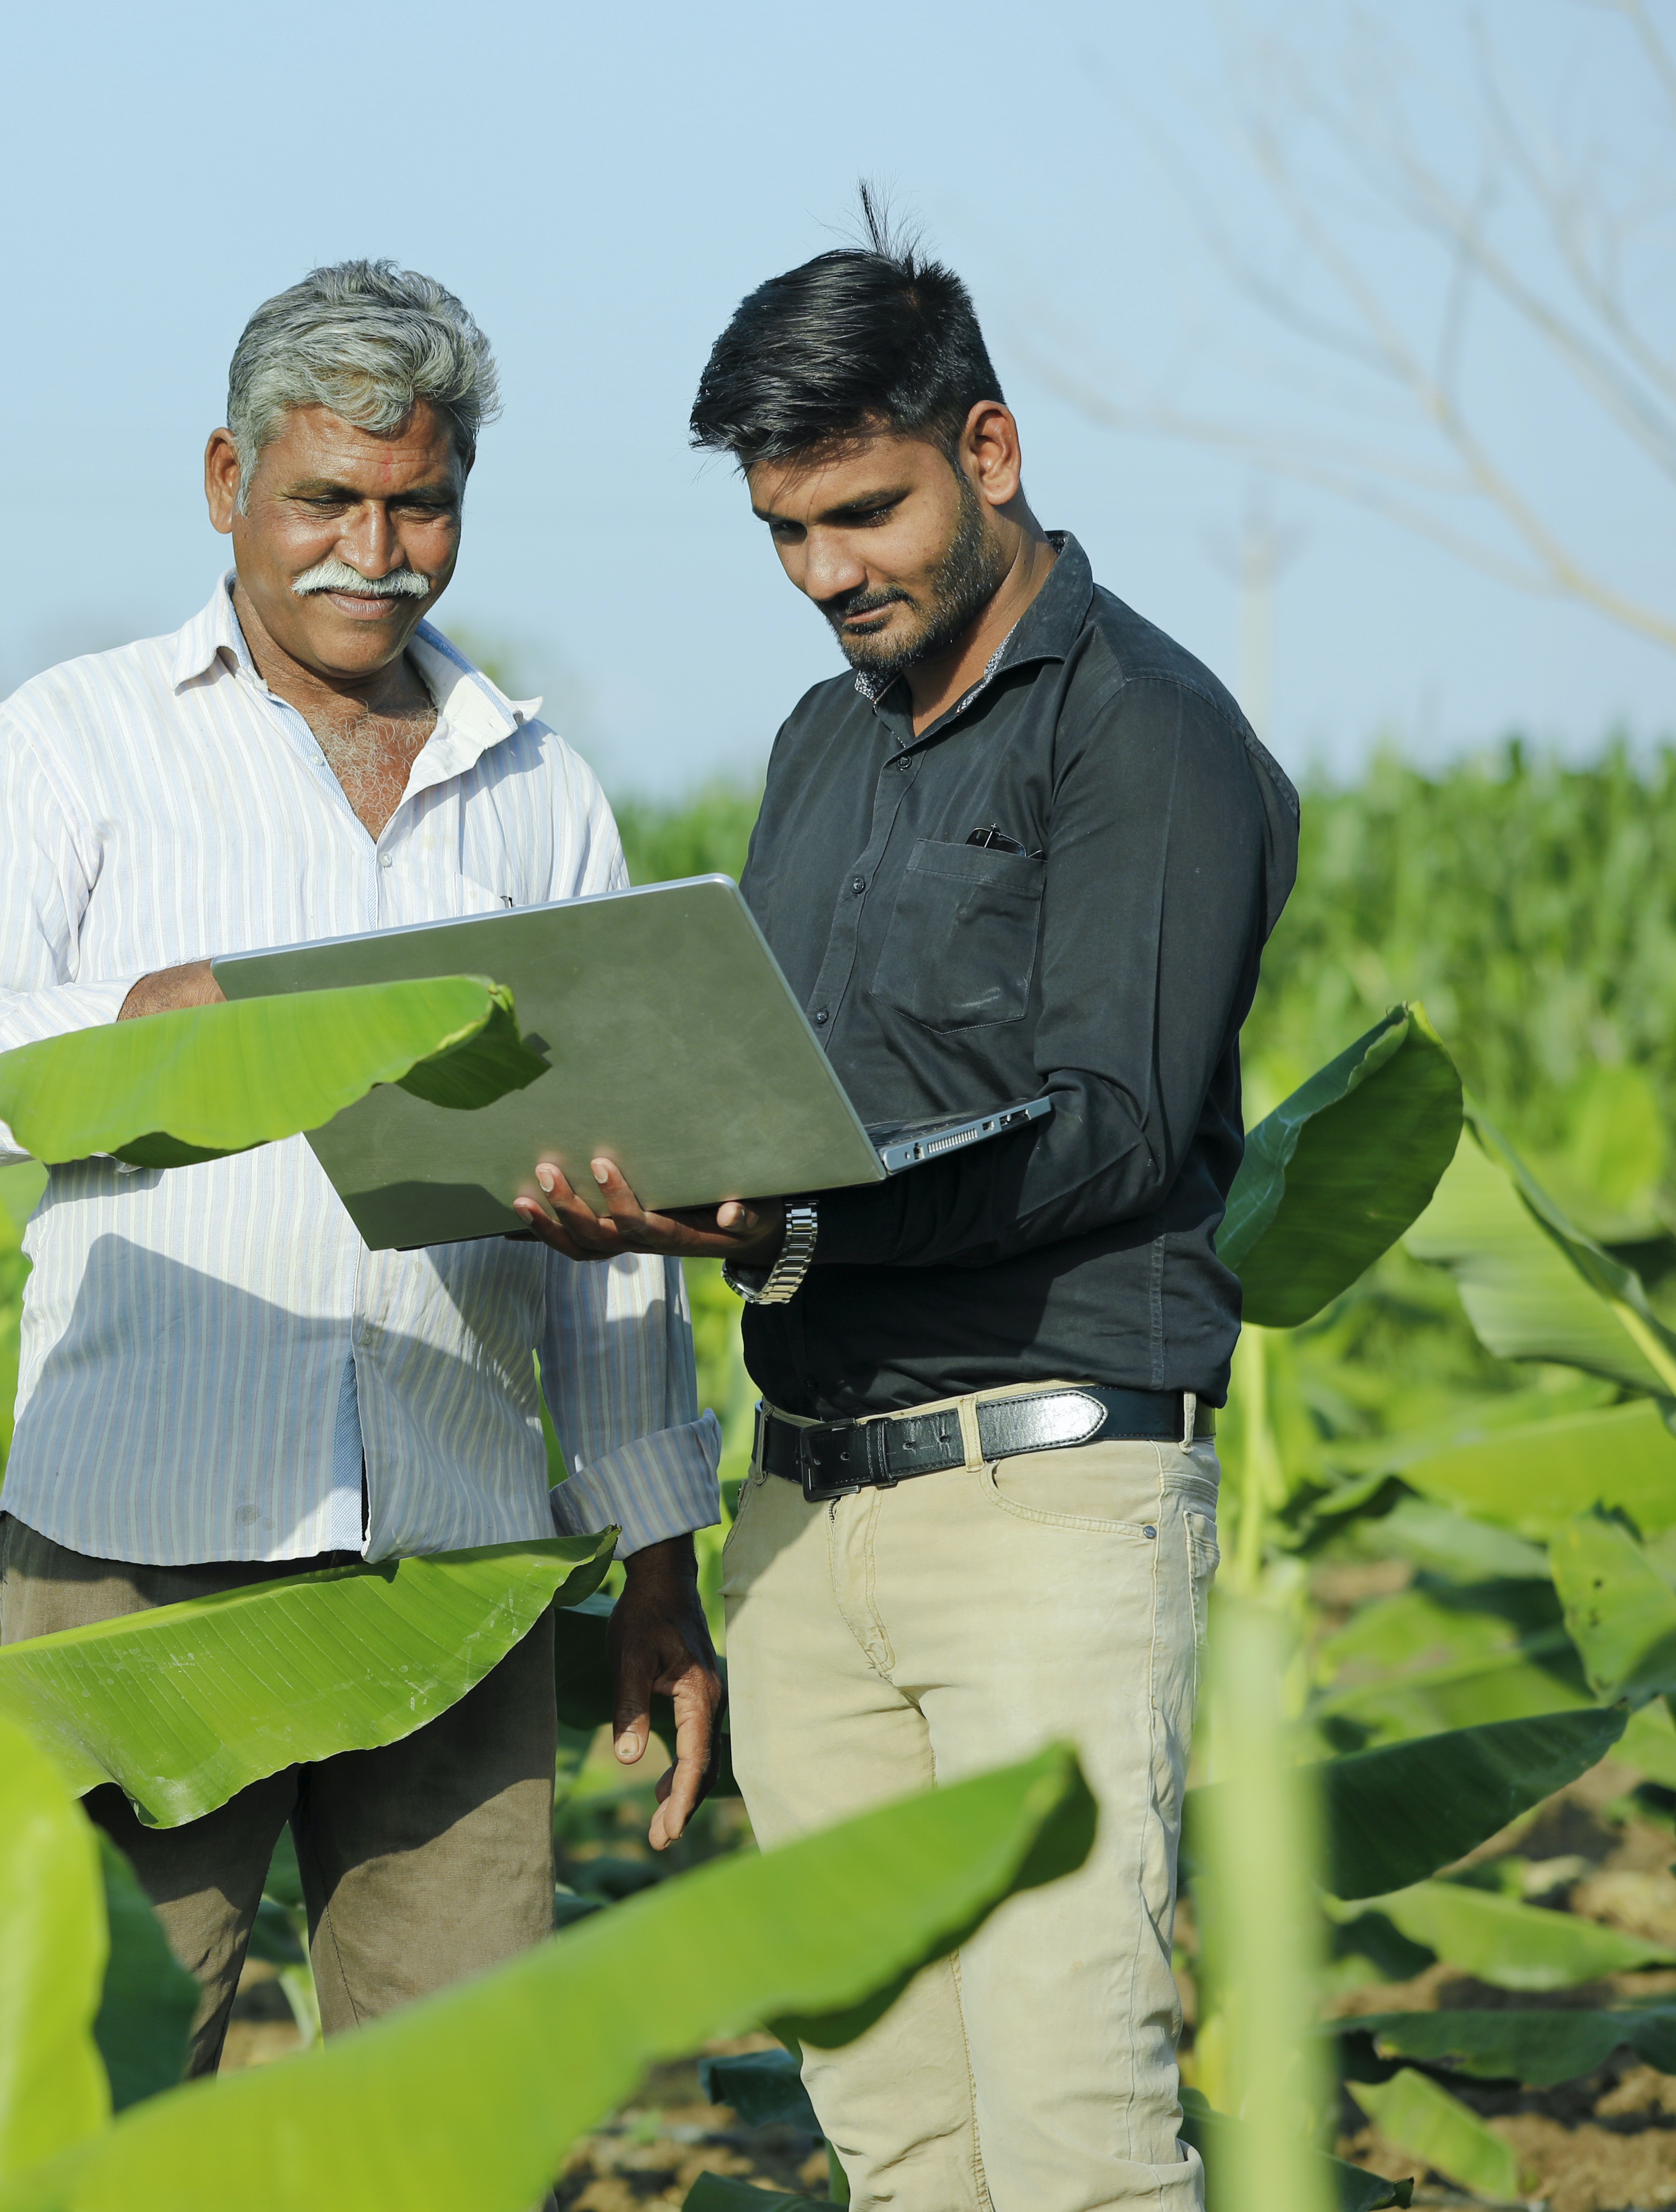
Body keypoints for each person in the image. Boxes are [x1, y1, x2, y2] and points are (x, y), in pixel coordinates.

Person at [512, 205, 1301, 2212]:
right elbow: (787, 1092)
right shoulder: (822, 745)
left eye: (862, 514)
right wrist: (648, 1169)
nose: (826, 574)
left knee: (1076, 2132)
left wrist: (775, 1221)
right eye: (785, 533)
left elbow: (1111, 1128)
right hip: (806, 1517)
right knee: (898, 2140)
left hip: (1048, 1505)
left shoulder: (1150, 732)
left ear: (992, 451)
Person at [0, 261, 725, 2079]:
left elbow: (622, 1223)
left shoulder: (538, 787)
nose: (377, 547)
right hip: (140, 1552)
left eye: (419, 502)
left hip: (461, 1552)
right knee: (95, 2085)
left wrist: (660, 1554)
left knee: (457, 2107)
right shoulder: (74, 742)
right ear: (225, 486)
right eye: (326, 498)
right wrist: (145, 1018)